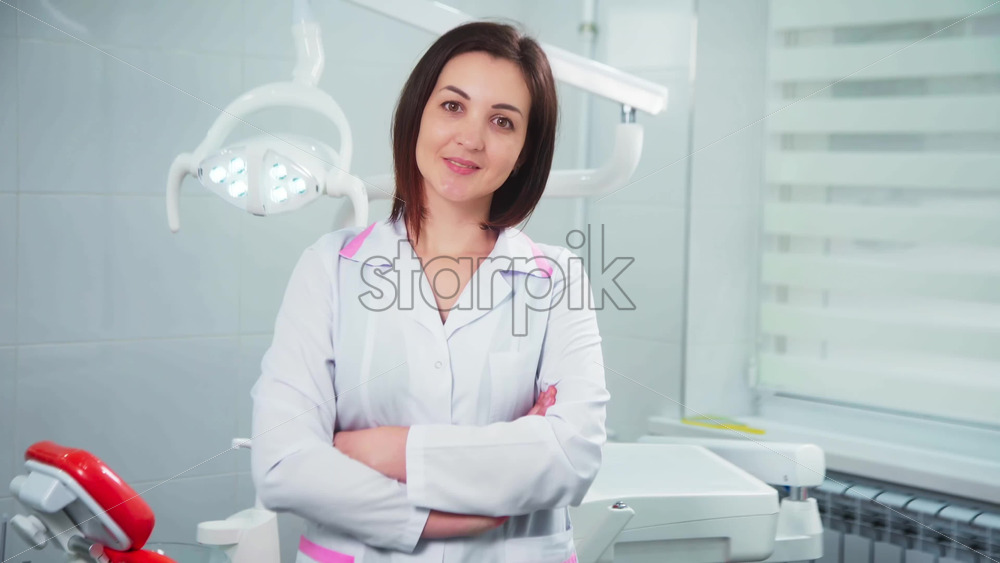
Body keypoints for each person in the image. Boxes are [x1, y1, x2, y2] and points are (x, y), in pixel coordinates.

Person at [251, 21, 609, 563]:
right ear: (417, 111)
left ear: (524, 150)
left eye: (502, 121)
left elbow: (570, 457)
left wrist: (380, 448)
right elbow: (282, 466)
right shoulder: (329, 267)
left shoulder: (557, 281)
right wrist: (439, 520)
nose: (471, 138)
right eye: (452, 106)